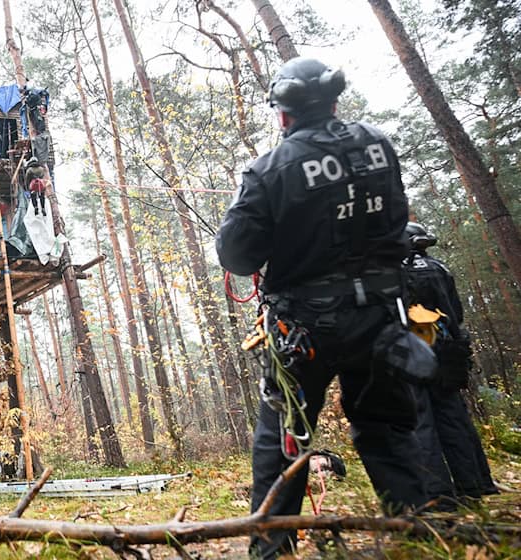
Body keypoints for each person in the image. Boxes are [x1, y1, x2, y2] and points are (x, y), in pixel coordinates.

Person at [216, 57, 428, 558]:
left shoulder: (270, 170)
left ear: (283, 114)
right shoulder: (378, 145)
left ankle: (272, 549)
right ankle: (420, 536)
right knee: (388, 428)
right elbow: (397, 218)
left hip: (304, 329)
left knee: (284, 439)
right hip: (380, 319)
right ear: (334, 101)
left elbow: (236, 253)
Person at [404, 221, 498, 501]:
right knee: (455, 418)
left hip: (415, 353)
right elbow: (456, 313)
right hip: (447, 351)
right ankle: (474, 485)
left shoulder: (397, 271)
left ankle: (438, 494)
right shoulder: (440, 268)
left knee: (421, 421)